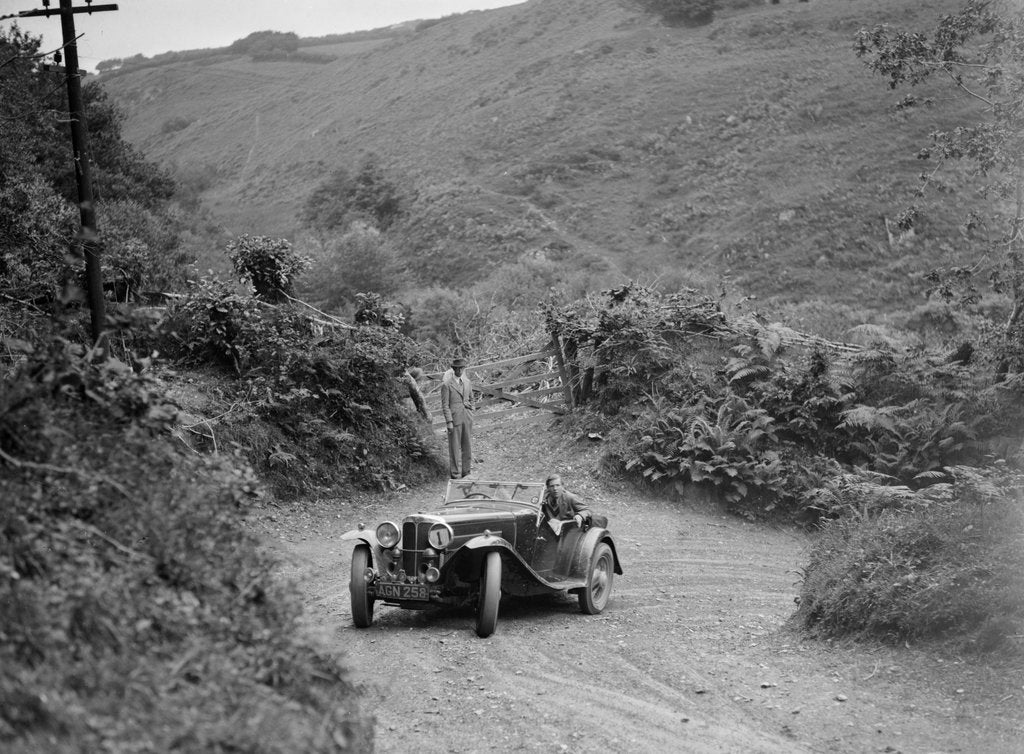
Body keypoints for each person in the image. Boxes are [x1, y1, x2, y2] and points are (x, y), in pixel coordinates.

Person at [440, 356, 474, 478]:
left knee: (467, 446)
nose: (459, 371)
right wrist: (449, 421)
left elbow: (471, 399)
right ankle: (455, 474)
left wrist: (471, 411)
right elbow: (445, 405)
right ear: (453, 369)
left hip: (467, 417)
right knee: (454, 447)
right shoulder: (446, 385)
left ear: (464, 369)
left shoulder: (467, 382)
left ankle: (466, 472)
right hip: (454, 419)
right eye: (457, 368)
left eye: (461, 368)